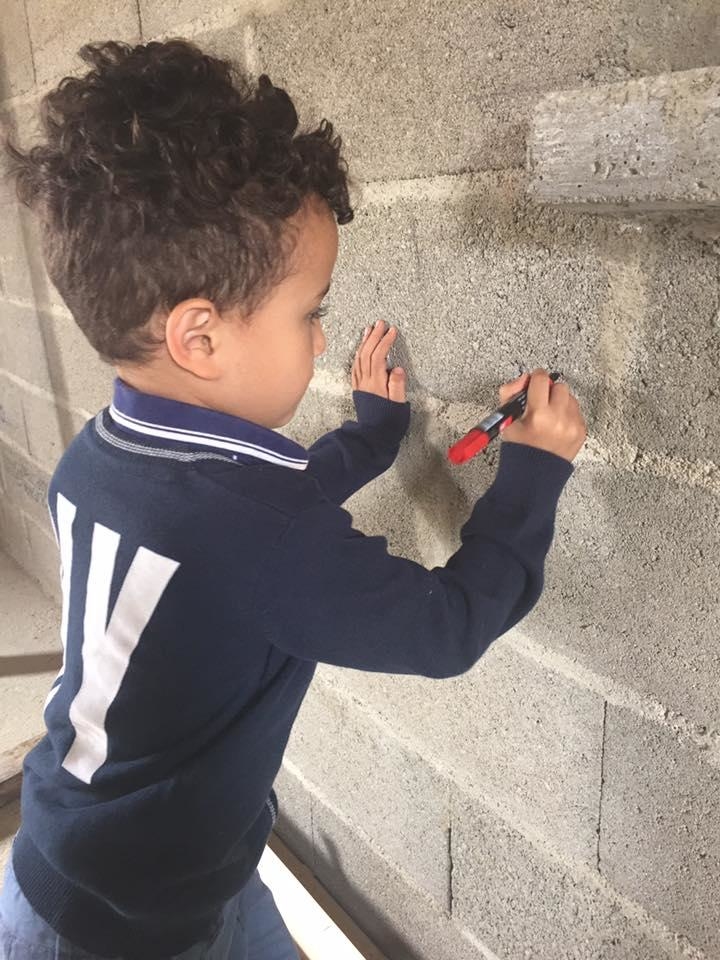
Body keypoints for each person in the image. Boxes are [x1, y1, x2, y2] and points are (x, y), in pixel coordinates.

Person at [0, 38, 586, 960]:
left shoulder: (104, 456)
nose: (318, 343)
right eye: (310, 312)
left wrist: (373, 438)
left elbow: (249, 513)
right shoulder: (248, 531)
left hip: (113, 863)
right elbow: (445, 629)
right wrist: (534, 473)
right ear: (199, 337)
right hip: (133, 929)